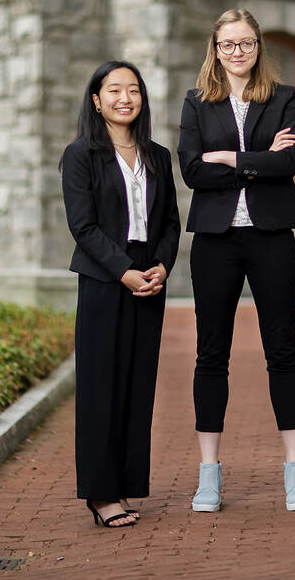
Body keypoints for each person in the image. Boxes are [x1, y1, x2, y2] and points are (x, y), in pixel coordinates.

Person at [177, 8, 295, 512]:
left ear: (259, 48)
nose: (238, 52)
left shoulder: (283, 98)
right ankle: (208, 474)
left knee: (283, 349)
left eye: (247, 43)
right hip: (215, 240)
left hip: (271, 236)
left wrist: (230, 158)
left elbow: (289, 163)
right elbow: (191, 171)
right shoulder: (196, 103)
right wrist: (260, 163)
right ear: (215, 50)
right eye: (228, 44)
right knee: (211, 353)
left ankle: (294, 470)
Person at [60, 61, 181, 528]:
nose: (124, 98)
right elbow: (82, 226)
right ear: (96, 99)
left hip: (150, 279)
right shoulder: (80, 154)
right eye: (114, 90)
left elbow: (170, 221)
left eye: (133, 90)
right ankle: (101, 494)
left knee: (136, 386)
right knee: (100, 387)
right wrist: (125, 273)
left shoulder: (157, 154)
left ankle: (127, 484)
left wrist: (163, 266)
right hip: (104, 281)